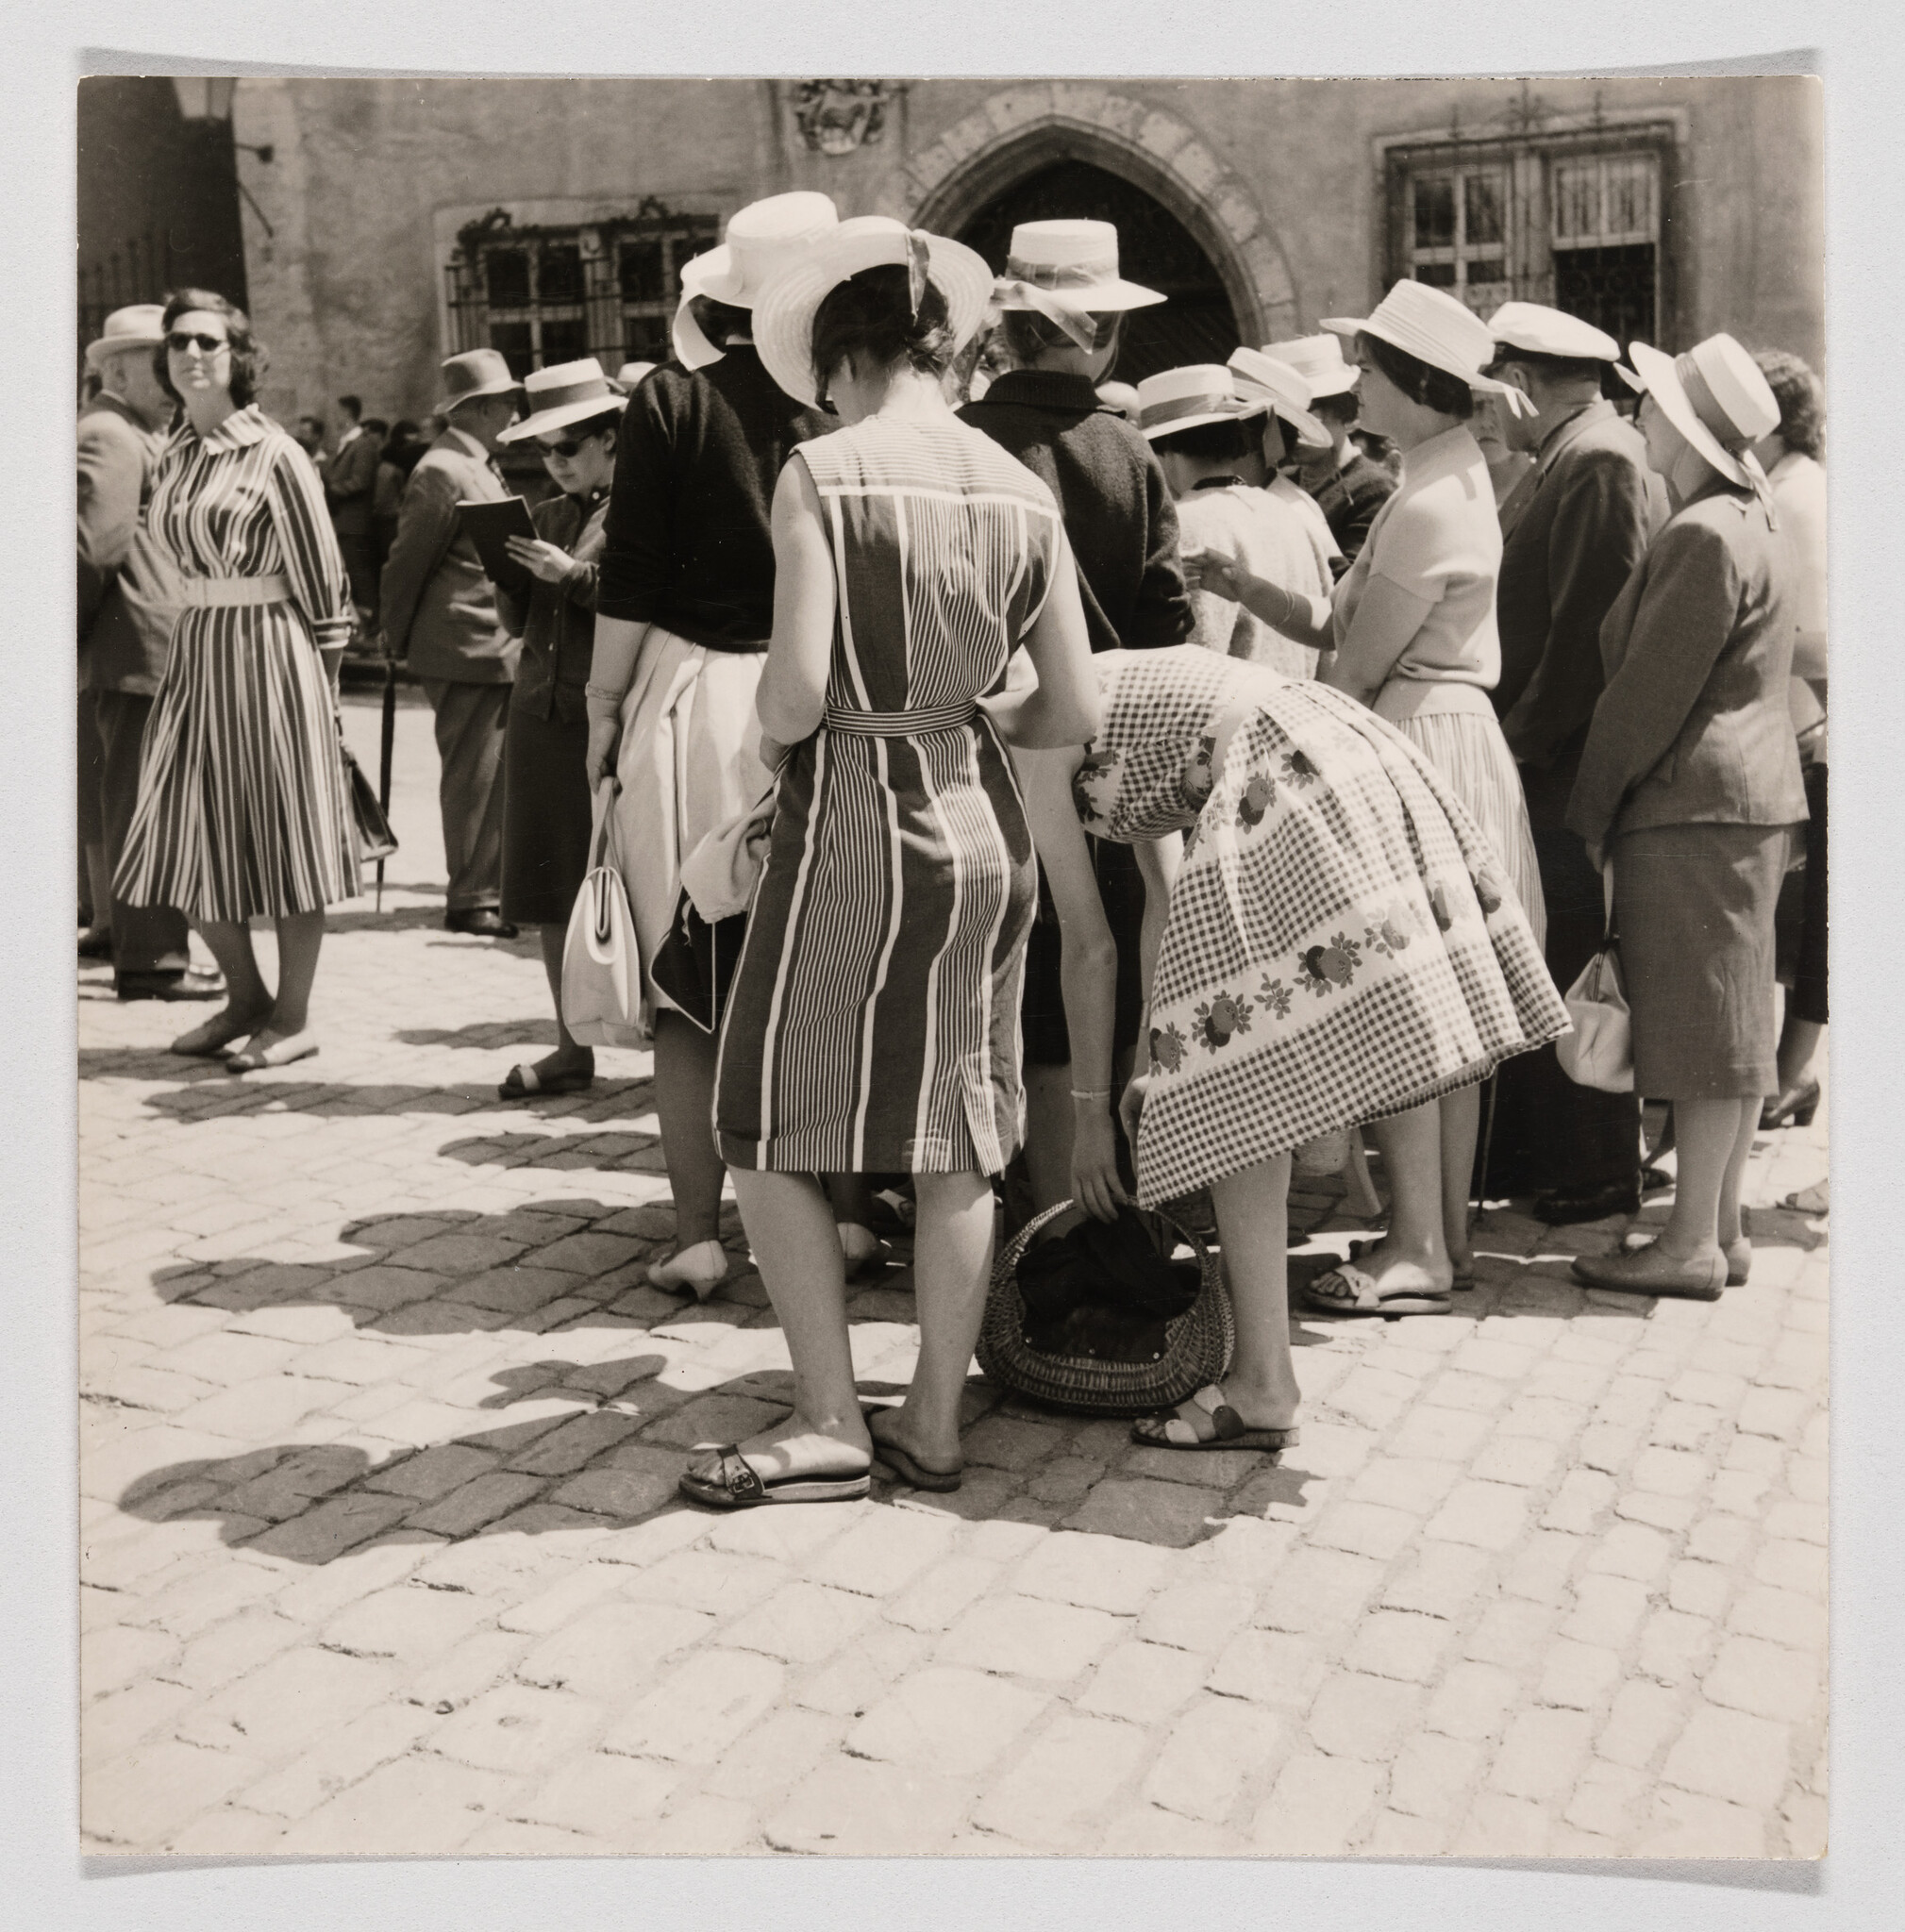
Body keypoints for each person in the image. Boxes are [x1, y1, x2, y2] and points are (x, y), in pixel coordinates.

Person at [679, 217, 1099, 1507]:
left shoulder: (826, 474)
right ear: (942, 346)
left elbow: (797, 694)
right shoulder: (1022, 487)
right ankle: (928, 1415)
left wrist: (765, 748)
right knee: (952, 1140)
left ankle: (825, 1417)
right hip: (979, 824)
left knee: (759, 1122)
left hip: (851, 820)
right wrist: (965, 712)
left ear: (837, 356)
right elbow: (1065, 713)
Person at [1018, 644, 1566, 1433]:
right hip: (1330, 749)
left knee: (1242, 1085)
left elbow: (1087, 945)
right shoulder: (1082, 684)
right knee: (1238, 1069)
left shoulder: (1024, 734)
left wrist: (1090, 1118)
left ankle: (1263, 1384)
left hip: (1281, 774)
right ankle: (1263, 1370)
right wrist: (1154, 1063)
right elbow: (1166, 901)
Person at [1184, 279, 1542, 1307]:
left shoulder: (1426, 499)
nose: (1356, 385)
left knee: (1408, 990)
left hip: (1417, 729)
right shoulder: (1437, 472)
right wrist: (1242, 582)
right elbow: (1343, 624)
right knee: (1442, 999)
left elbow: (1354, 665)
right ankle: (1440, 1234)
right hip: (1433, 724)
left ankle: (1419, 1242)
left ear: (1420, 386)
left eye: (1373, 370)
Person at [586, 191, 841, 1297]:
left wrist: (602, 705)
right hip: (825, 696)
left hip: (694, 696)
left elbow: (630, 571)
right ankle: (834, 1214)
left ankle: (697, 1227)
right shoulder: (839, 406)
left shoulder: (673, 400)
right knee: (810, 975)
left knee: (688, 977)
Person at [958, 218, 1195, 1221]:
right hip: (1108, 765)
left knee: (983, 998)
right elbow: (1171, 630)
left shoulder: (963, 445)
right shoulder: (1128, 455)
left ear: (1006, 332)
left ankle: (988, 1220)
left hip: (968, 763)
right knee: (1084, 998)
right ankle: (1077, 1229)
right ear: (1100, 334)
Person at [1566, 335, 1804, 1299]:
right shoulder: (1754, 519)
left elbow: (1644, 696)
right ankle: (1721, 1224)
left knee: (1704, 1032)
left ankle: (1690, 1242)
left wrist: (1592, 807)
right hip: (1744, 800)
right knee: (1733, 1023)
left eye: (1655, 403)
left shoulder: (1706, 529)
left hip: (1691, 802)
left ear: (1690, 431)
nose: (1642, 414)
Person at [114, 290, 359, 1070]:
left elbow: (325, 588)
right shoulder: (174, 453)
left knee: (285, 833)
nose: (191, 353)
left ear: (238, 357)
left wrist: (324, 699)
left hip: (272, 651)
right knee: (179, 832)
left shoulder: (276, 454)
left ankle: (293, 1017)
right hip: (198, 651)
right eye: (180, 342)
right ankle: (244, 998)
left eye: (209, 343)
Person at [1480, 301, 1670, 1222]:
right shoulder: (1581, 453)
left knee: (1569, 957)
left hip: (1568, 764)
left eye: (1494, 383)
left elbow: (1587, 639)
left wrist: (1518, 743)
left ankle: (1593, 1167)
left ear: (1521, 382)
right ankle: (1556, 1158)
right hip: (1555, 757)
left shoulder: (1598, 461)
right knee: (1552, 950)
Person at [77, 304, 224, 1004]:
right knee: (142, 806)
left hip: (147, 647)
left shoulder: (134, 430)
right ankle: (153, 960)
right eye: (156, 362)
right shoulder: (110, 432)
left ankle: (144, 945)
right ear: (115, 369)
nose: (171, 377)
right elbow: (91, 551)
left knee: (143, 801)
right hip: (136, 648)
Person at [489, 361, 624, 1099]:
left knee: (629, 884)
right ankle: (569, 1045)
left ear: (609, 439)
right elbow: (521, 621)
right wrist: (513, 581)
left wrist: (570, 576)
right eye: (543, 451)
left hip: (601, 719)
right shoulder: (547, 514)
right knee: (546, 887)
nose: (554, 464)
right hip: (539, 712)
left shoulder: (635, 509)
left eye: (567, 448)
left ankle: (675, 1050)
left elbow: (636, 600)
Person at [379, 348, 526, 938]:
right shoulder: (443, 468)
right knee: (474, 777)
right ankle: (471, 897)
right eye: (508, 403)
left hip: (485, 643)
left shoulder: (473, 462)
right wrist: (394, 633)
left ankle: (485, 888)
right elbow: (408, 562)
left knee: (490, 775)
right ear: (482, 408)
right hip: (464, 645)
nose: (516, 413)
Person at [1751, 349, 1828, 1136]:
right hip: (1797, 726)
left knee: (1808, 921)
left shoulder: (1800, 496)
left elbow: (1823, 641)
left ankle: (1790, 1072)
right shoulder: (1790, 486)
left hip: (1807, 729)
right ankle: (1788, 1072)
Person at [1271, 333, 1396, 562]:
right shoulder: (1286, 481)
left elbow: (1350, 579)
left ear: (1345, 416)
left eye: (1310, 419)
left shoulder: (1372, 488)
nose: (1294, 434)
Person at [324, 392, 382, 624]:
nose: (332, 418)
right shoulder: (348, 443)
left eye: (336, 412)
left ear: (347, 413)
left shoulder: (362, 445)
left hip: (353, 524)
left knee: (360, 576)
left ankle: (374, 625)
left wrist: (327, 491)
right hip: (343, 522)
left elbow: (360, 481)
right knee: (351, 575)